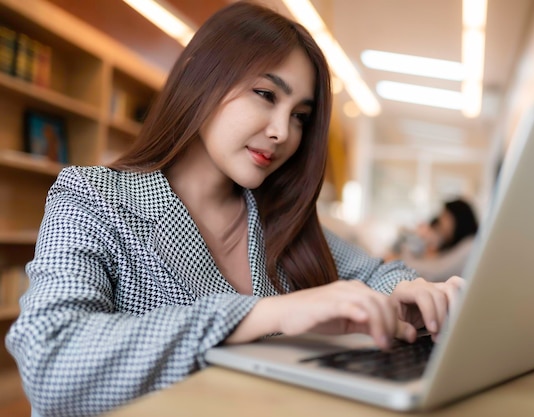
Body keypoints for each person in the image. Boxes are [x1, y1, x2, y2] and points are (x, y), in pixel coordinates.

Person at [5, 2, 463, 416]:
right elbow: (50, 364)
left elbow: (369, 274)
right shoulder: (93, 196)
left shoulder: (278, 213)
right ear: (201, 77)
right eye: (266, 94)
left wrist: (412, 288)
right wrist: (270, 313)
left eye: (300, 115)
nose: (283, 131)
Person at [388, 199, 479, 282]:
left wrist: (400, 261)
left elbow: (437, 272)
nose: (441, 223)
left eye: (445, 217)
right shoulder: (460, 245)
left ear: (458, 219)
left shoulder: (470, 245)